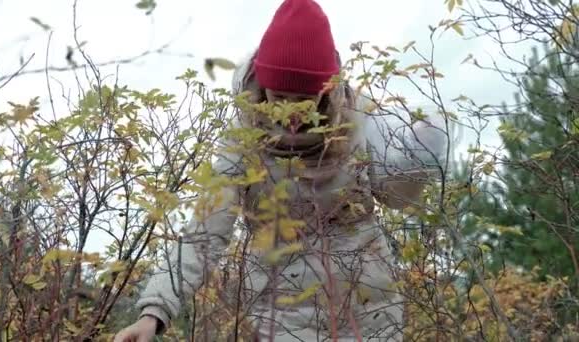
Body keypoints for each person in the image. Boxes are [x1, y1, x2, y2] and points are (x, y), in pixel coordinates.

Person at [114, 0, 447, 341]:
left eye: (303, 97)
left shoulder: (358, 118)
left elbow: (395, 198)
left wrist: (417, 161)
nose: (290, 111)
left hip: (371, 313)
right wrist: (154, 312)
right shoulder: (243, 140)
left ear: (325, 91)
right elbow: (205, 231)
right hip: (285, 317)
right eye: (280, 95)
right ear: (262, 86)